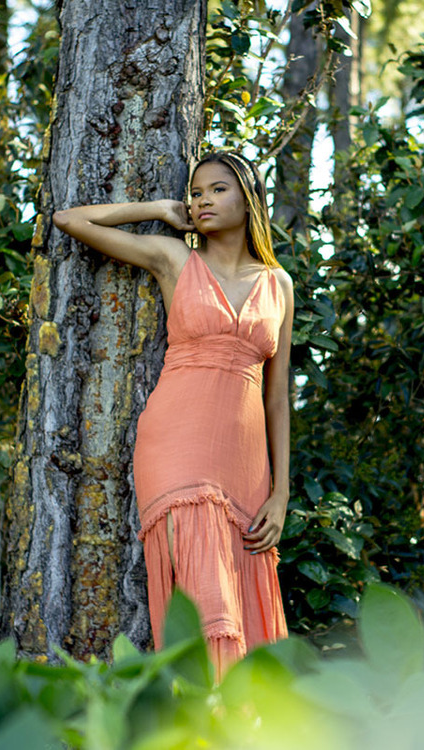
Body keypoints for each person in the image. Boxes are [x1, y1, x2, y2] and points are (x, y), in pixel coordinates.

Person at [51, 151, 293, 678]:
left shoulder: (279, 284)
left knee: (243, 597)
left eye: (218, 190)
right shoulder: (175, 259)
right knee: (207, 599)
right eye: (197, 191)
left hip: (246, 467)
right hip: (178, 443)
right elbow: (69, 220)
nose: (203, 200)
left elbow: (276, 398)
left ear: (249, 199)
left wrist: (281, 491)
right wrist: (158, 208)